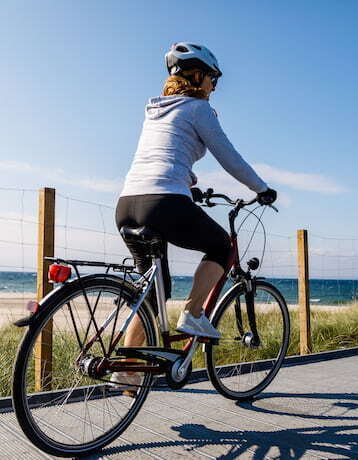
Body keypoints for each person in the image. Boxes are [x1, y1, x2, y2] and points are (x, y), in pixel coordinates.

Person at [112, 42, 277, 387]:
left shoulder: (155, 111)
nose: (214, 87)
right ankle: (193, 313)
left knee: (155, 292)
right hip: (163, 201)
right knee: (221, 247)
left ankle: (126, 370)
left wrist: (187, 185)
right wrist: (261, 188)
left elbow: (164, 157)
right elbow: (229, 156)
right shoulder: (198, 109)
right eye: (213, 79)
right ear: (198, 76)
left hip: (128, 203)